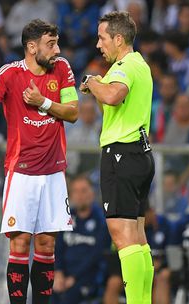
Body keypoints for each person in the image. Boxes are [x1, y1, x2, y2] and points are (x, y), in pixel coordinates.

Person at [0, 19, 79, 304]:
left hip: (54, 172)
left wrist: (42, 102)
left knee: (46, 244)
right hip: (21, 173)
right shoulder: (9, 74)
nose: (56, 49)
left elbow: (73, 112)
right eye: (50, 44)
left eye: (56, 43)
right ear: (32, 47)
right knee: (19, 244)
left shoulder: (62, 68)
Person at [80, 11, 155, 304]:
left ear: (118, 39)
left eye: (102, 38)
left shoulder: (125, 65)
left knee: (122, 234)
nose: (99, 45)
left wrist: (92, 80)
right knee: (137, 234)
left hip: (121, 153)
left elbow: (114, 96)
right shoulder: (140, 65)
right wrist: (100, 84)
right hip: (139, 153)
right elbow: (113, 102)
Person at [53, 176, 111, 303]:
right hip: (64, 276)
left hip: (89, 277)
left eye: (84, 190)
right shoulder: (66, 218)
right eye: (75, 191)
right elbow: (58, 249)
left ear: (92, 193)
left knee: (68, 297)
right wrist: (58, 273)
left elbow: (97, 255)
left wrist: (74, 277)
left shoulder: (102, 220)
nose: (79, 195)